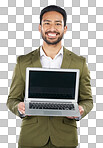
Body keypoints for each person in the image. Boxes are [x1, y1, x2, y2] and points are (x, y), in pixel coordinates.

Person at [6, 5, 93, 148]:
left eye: (58, 23)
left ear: (65, 28)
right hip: (31, 138)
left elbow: (88, 100)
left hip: (65, 139)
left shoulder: (79, 62)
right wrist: (19, 108)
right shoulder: (23, 61)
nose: (52, 28)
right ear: (40, 27)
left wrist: (81, 110)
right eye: (47, 23)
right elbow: (12, 100)